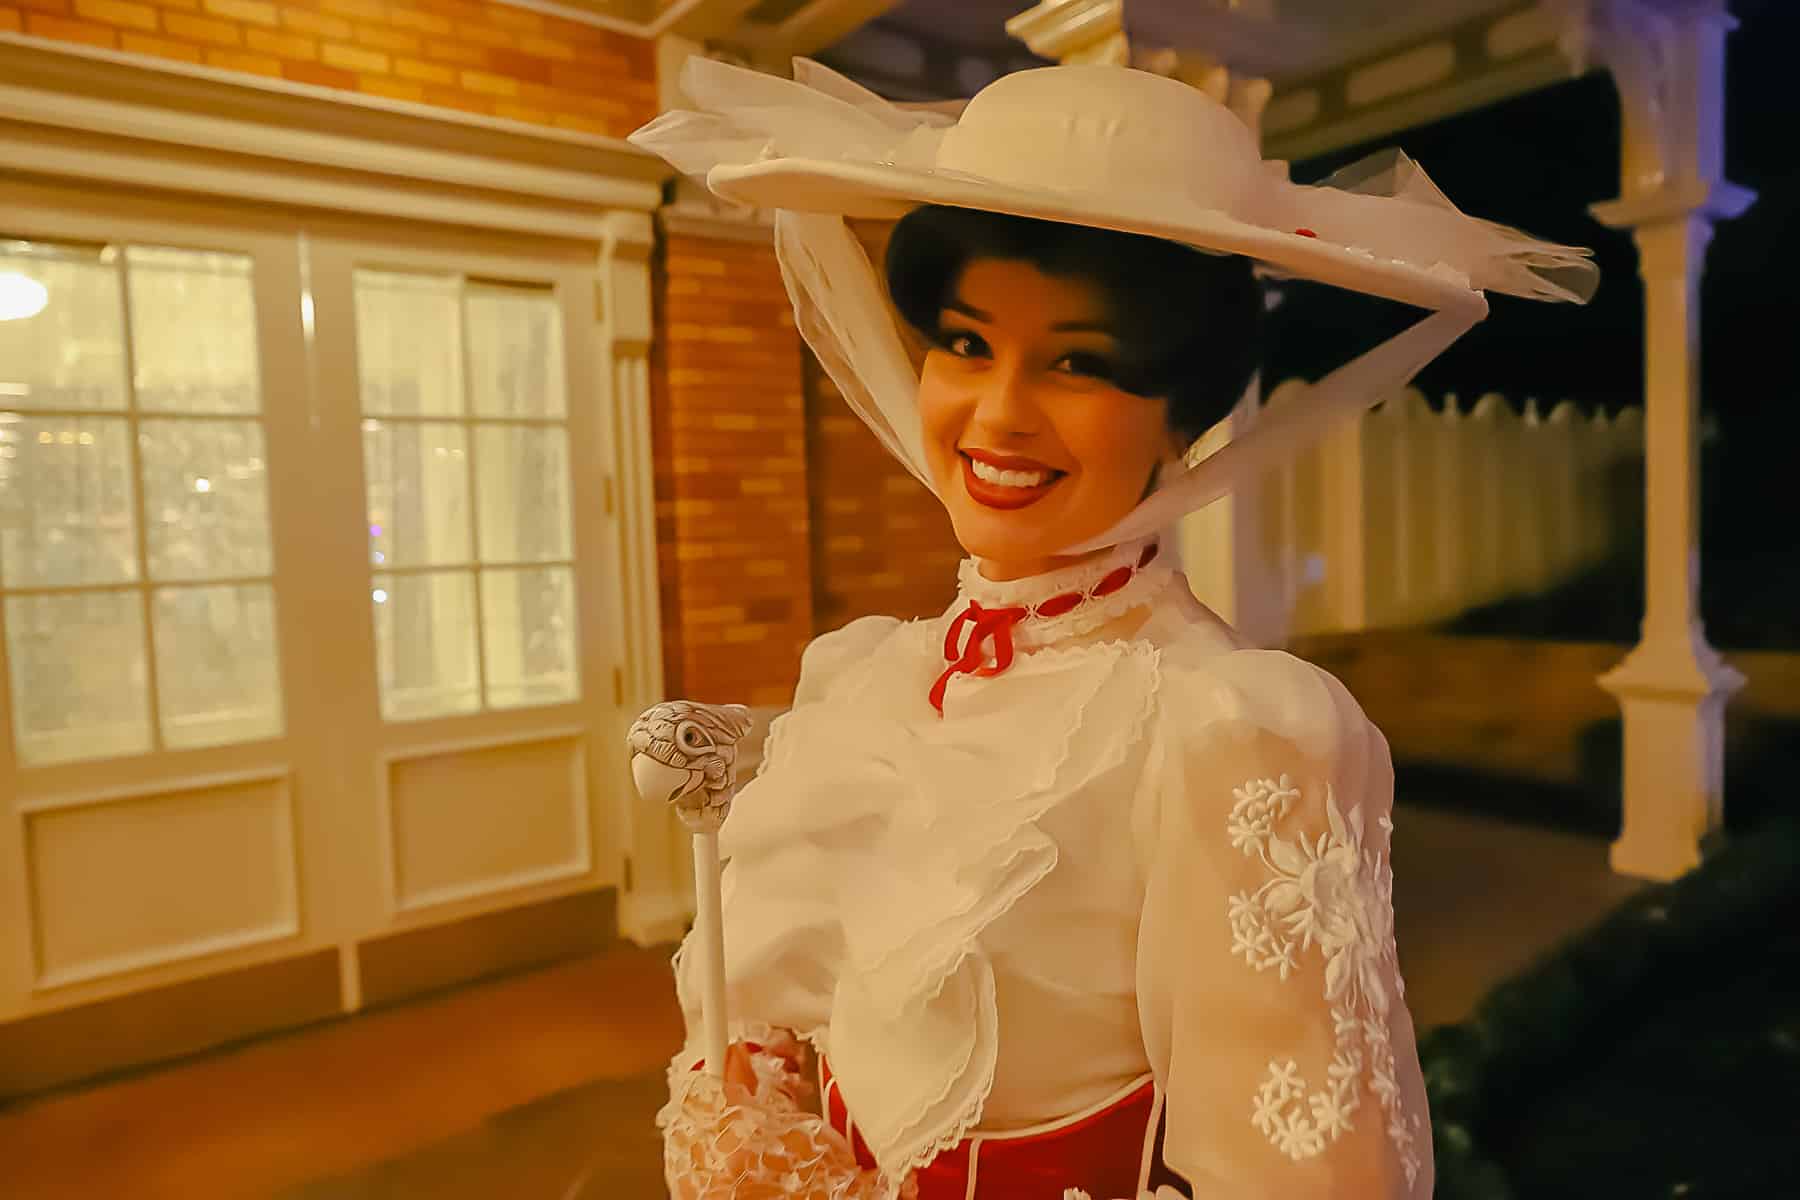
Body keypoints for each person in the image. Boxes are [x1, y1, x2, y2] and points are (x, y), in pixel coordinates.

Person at [629, 56, 1594, 1200]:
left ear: (1182, 413)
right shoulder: (869, 675)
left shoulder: (1231, 728)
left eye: (1079, 362)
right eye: (967, 343)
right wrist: (756, 1104)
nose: (996, 413)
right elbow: (813, 998)